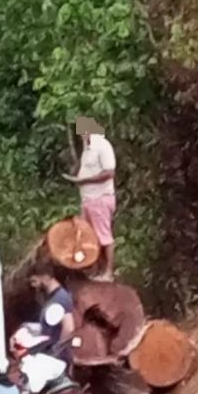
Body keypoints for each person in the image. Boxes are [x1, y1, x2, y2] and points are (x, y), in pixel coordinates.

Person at [63, 116, 117, 281]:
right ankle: (96, 269)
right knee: (91, 236)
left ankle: (108, 271)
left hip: (99, 197)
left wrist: (84, 180)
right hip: (88, 198)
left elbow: (109, 172)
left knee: (103, 235)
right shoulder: (88, 148)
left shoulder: (102, 145)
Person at [26, 261, 75, 363]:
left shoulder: (60, 298)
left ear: (45, 277)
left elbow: (69, 328)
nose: (33, 286)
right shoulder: (52, 299)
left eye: (34, 281)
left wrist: (55, 353)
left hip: (56, 361)